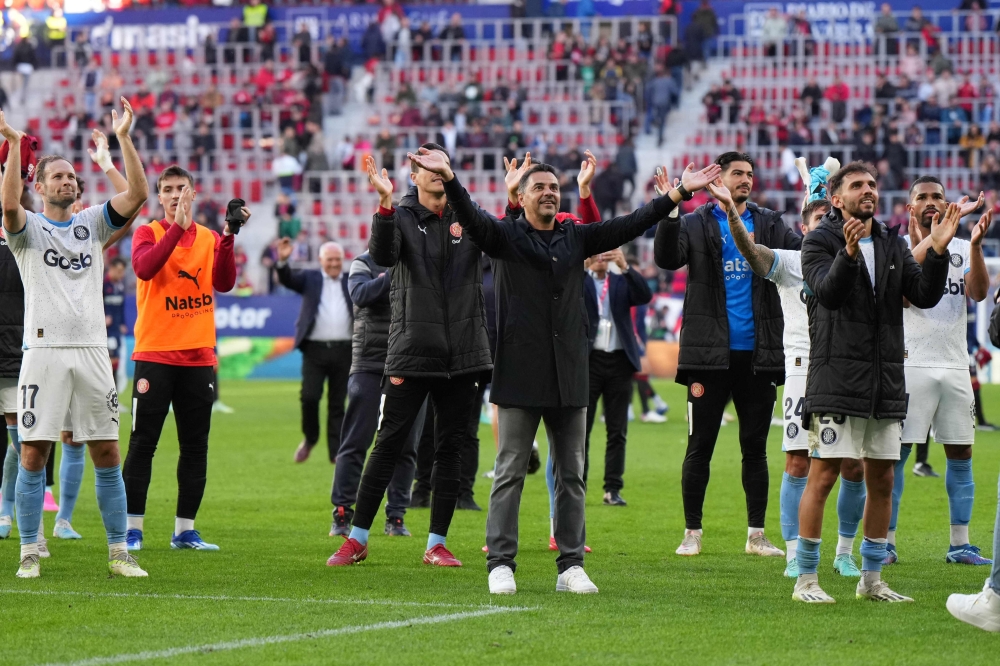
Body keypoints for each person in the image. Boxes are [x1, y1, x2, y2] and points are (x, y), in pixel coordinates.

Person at [408, 146, 721, 595]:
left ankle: (570, 565)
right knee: (511, 470)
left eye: (555, 187)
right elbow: (473, 218)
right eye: (541, 187)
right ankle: (501, 563)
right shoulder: (505, 236)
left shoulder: (576, 238)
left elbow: (630, 223)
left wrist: (675, 195)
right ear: (525, 194)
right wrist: (451, 177)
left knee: (571, 473)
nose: (550, 193)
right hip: (518, 371)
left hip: (570, 371)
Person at [0, 99, 149, 578]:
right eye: (57, 177)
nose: (68, 181)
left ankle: (119, 554)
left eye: (72, 177)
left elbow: (138, 196)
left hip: (91, 352)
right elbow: (7, 205)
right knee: (32, 452)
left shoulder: (90, 226)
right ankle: (28, 551)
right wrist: (15, 143)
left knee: (107, 450)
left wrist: (122, 139)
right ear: (38, 187)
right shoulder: (27, 231)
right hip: (42, 353)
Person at [794, 162, 954, 604]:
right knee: (823, 476)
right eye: (858, 186)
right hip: (837, 379)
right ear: (836, 197)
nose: (869, 191)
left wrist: (937, 252)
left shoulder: (888, 241)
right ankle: (806, 580)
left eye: (872, 185)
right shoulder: (818, 240)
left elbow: (922, 296)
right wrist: (847, 256)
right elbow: (827, 294)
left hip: (883, 383)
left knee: (881, 479)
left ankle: (872, 580)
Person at [326, 144, 492, 568]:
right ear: (413, 176)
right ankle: (357, 537)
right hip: (412, 349)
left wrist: (508, 201)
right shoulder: (398, 216)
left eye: (443, 164)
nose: (436, 171)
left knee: (450, 449)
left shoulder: (466, 216)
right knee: (388, 444)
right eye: (425, 165)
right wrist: (383, 203)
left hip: (465, 352)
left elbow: (498, 240)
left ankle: (436, 543)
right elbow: (382, 255)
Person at [654, 152, 800, 558]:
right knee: (699, 446)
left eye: (750, 175)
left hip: (759, 355)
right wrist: (670, 207)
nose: (746, 180)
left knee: (755, 448)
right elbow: (667, 259)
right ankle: (692, 532)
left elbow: (805, 256)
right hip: (708, 356)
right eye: (738, 173)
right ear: (718, 177)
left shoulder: (769, 223)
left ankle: (756, 535)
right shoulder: (695, 223)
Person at [721, 192, 867, 578]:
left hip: (846, 368)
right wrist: (733, 212)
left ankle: (845, 553)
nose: (826, 224)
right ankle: (792, 554)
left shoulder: (859, 259)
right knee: (798, 461)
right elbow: (750, 252)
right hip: (802, 369)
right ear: (803, 228)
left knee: (853, 465)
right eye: (818, 218)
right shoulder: (790, 260)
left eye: (831, 217)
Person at [122, 166, 244, 552]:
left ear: (193, 193)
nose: (175, 195)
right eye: (168, 190)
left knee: (195, 447)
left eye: (182, 189)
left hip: (197, 358)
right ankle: (132, 529)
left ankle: (184, 530)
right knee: (143, 443)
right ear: (159, 197)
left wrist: (228, 237)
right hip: (155, 354)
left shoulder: (209, 238)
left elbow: (224, 282)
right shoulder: (148, 232)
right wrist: (176, 227)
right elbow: (144, 267)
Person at [888, 179, 993, 566]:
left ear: (948, 204)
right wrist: (935, 241)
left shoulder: (963, 250)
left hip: (953, 364)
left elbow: (978, 293)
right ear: (909, 207)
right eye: (923, 198)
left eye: (937, 197)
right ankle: (886, 541)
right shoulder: (896, 249)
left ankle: (960, 544)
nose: (931, 202)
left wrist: (977, 246)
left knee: (961, 453)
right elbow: (899, 292)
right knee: (894, 456)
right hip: (908, 363)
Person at [309, 246, 423, 539]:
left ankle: (396, 515)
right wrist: (393, 275)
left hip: (411, 364)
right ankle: (342, 511)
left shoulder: (421, 260)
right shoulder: (363, 263)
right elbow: (360, 295)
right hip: (370, 363)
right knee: (356, 441)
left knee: (406, 445)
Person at [583, 247, 652, 507]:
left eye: (605, 253)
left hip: (620, 362)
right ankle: (578, 485)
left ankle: (612, 488)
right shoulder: (580, 281)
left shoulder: (621, 281)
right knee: (581, 430)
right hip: (589, 362)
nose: (601, 257)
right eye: (596, 253)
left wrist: (625, 266)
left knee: (617, 430)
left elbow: (645, 295)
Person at [278, 242, 353, 465]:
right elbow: (287, 279)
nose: (333, 264)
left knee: (338, 404)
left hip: (345, 350)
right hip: (314, 351)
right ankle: (310, 438)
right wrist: (282, 261)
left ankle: (336, 453)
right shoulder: (310, 278)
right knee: (309, 397)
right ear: (321, 261)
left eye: (337, 259)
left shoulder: (352, 279)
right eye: (329, 259)